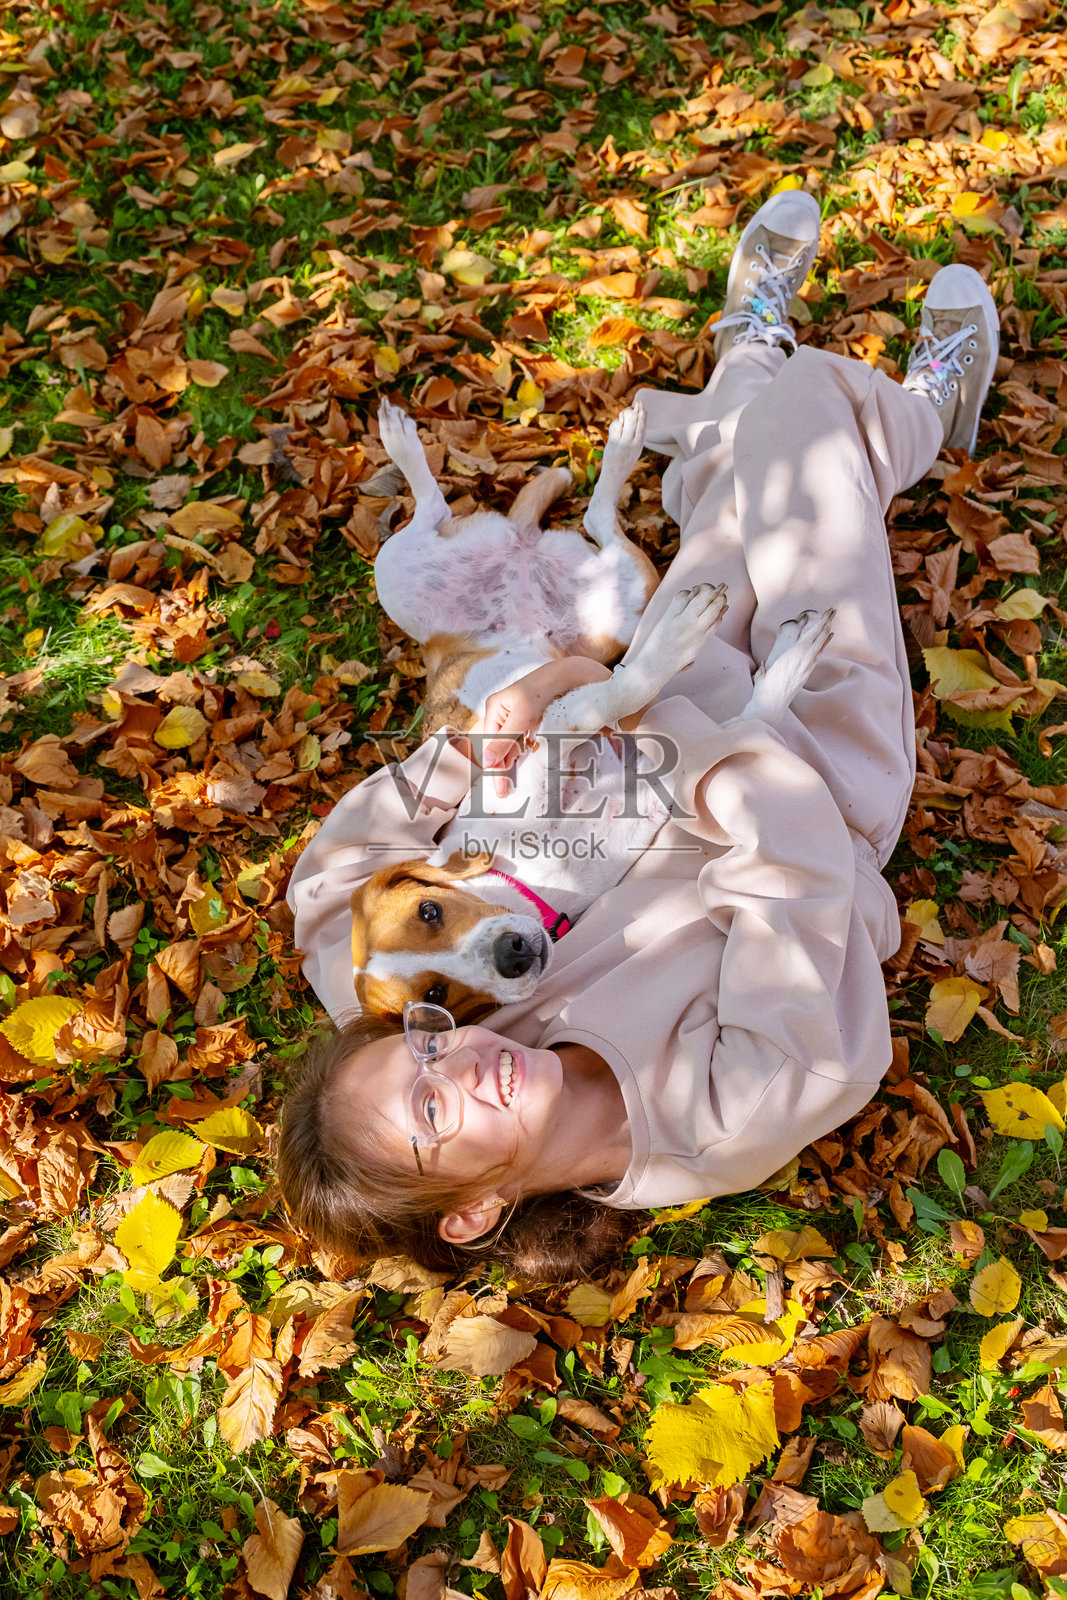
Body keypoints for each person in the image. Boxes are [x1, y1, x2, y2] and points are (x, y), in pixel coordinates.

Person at [278, 191, 1000, 1281]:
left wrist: (494, 730)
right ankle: (896, 412)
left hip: (653, 693)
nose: (459, 1055)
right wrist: (611, 699)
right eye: (434, 1109)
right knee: (806, 424)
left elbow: (329, 884)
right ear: (469, 1213)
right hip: (808, 751)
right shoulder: (724, 1112)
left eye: (422, 1051)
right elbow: (790, 848)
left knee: (740, 502)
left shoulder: (413, 985)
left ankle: (744, 379)